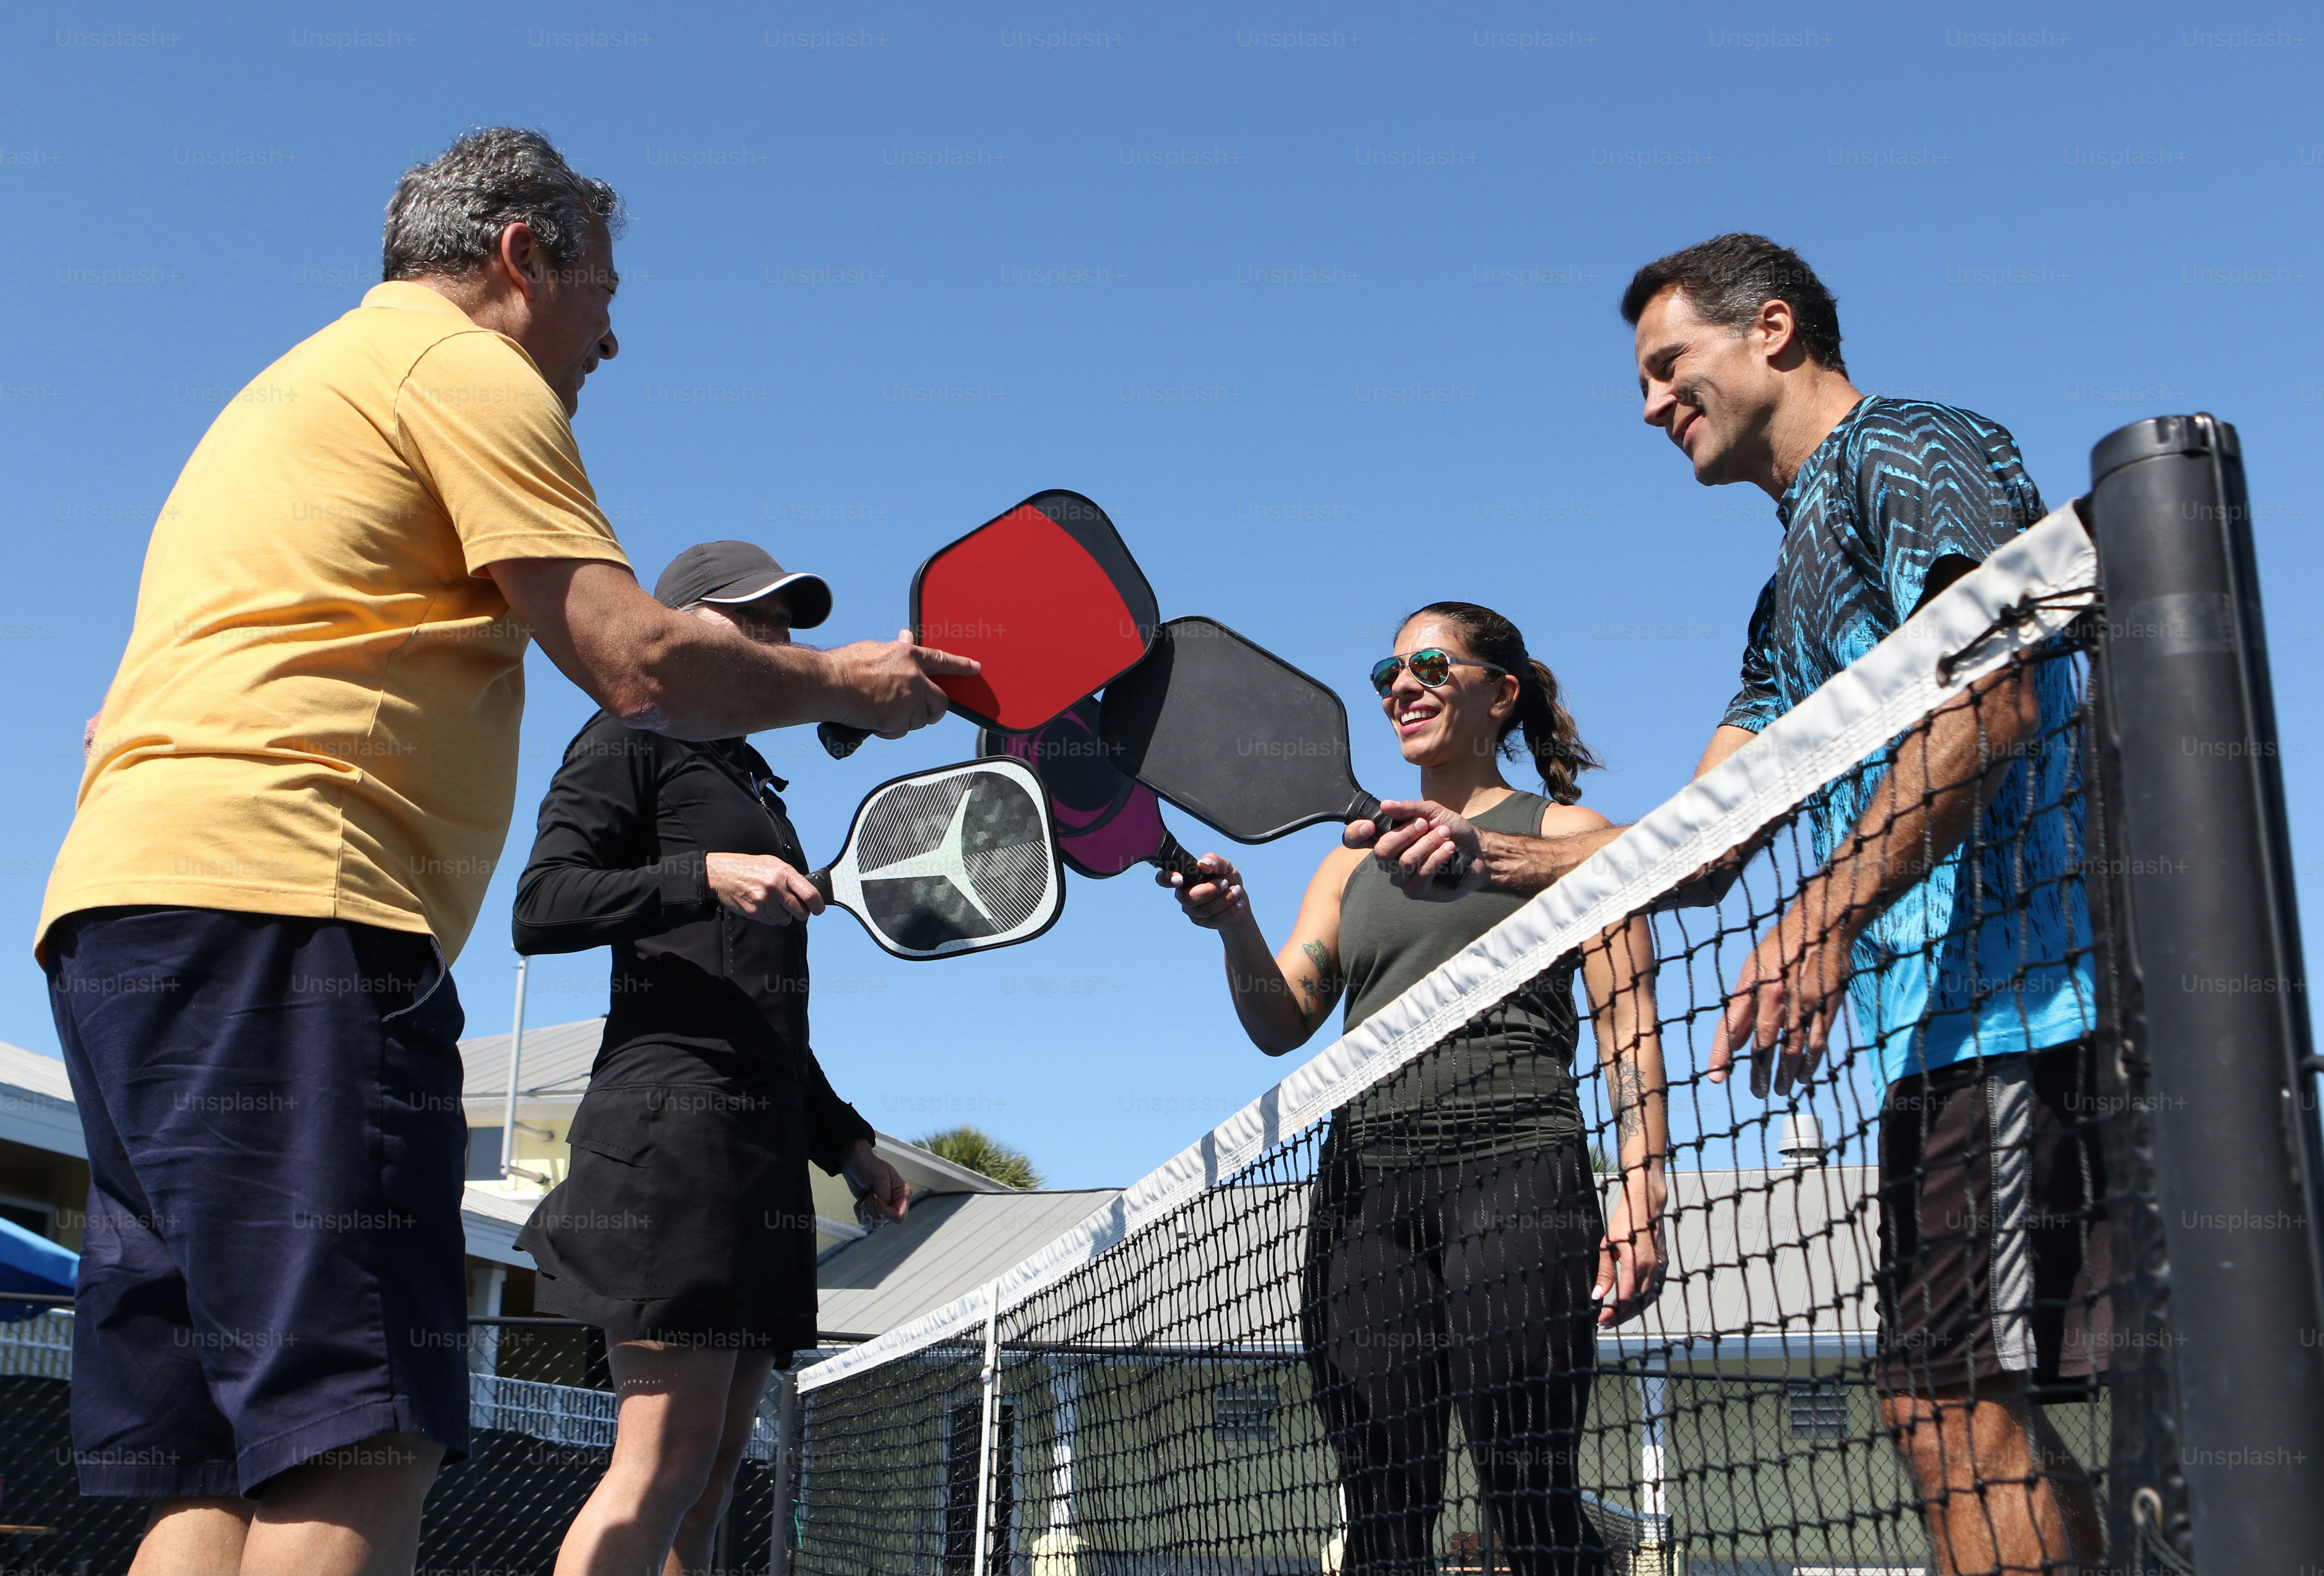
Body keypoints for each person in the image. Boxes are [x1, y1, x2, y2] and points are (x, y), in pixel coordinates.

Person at [36, 129, 973, 1576]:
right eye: (603, 285)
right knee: (356, 1435)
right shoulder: (460, 367)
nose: (613, 332)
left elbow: (117, 706)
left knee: (217, 1452)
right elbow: (640, 661)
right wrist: (855, 679)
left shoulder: (281, 395)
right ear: (524, 257)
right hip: (293, 912)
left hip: (120, 922)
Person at [1364, 235, 2102, 1576]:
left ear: (1772, 330)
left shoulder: (1908, 450)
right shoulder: (1783, 602)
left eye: (1668, 367)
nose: (1650, 406)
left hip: (2046, 998)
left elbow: (1993, 688)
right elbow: (1696, 851)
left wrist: (1822, 914)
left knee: (1946, 1403)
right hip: (1943, 1044)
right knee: (1962, 1403)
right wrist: (1485, 855)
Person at [1164, 603, 1668, 1576]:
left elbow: (1632, 1023)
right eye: (1388, 673)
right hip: (1365, 1199)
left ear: (1501, 693)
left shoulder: (1570, 834)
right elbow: (1282, 1021)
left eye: (1431, 665)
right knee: (1383, 1525)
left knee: (1531, 1502)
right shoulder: (1348, 862)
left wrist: (1643, 1189)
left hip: (1517, 1176)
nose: (1402, 687)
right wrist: (1234, 925)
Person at [511, 542, 910, 1575]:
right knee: (662, 1463)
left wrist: (847, 1141)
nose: (781, 642)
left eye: (789, 624)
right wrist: (702, 873)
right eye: (757, 622)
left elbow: (759, 1011)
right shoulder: (628, 735)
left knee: (716, 1470)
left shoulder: (754, 783)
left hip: (758, 1158)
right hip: (668, 1144)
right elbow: (540, 903)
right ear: (685, 627)